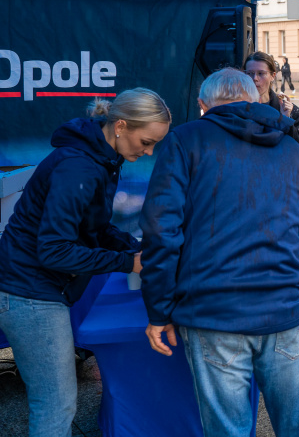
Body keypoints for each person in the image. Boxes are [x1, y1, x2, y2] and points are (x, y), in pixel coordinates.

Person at [140, 69, 299, 437]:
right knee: (298, 427)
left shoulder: (185, 141)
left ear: (204, 106)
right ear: (253, 99)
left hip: (214, 313)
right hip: (282, 307)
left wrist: (158, 310)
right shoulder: (289, 145)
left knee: (228, 430)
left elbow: (161, 231)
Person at [0, 89, 171, 437]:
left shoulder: (102, 156)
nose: (149, 151)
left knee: (55, 400)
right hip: (28, 291)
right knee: (56, 402)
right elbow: (54, 250)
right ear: (121, 126)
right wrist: (128, 261)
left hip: (36, 285)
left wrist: (136, 246)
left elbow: (92, 226)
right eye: (147, 141)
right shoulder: (79, 165)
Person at [245, 51, 299, 146]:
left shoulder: (290, 111)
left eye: (261, 73)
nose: (255, 78)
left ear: (273, 76)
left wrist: (285, 119)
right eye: (250, 73)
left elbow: (297, 149)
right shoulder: (238, 108)